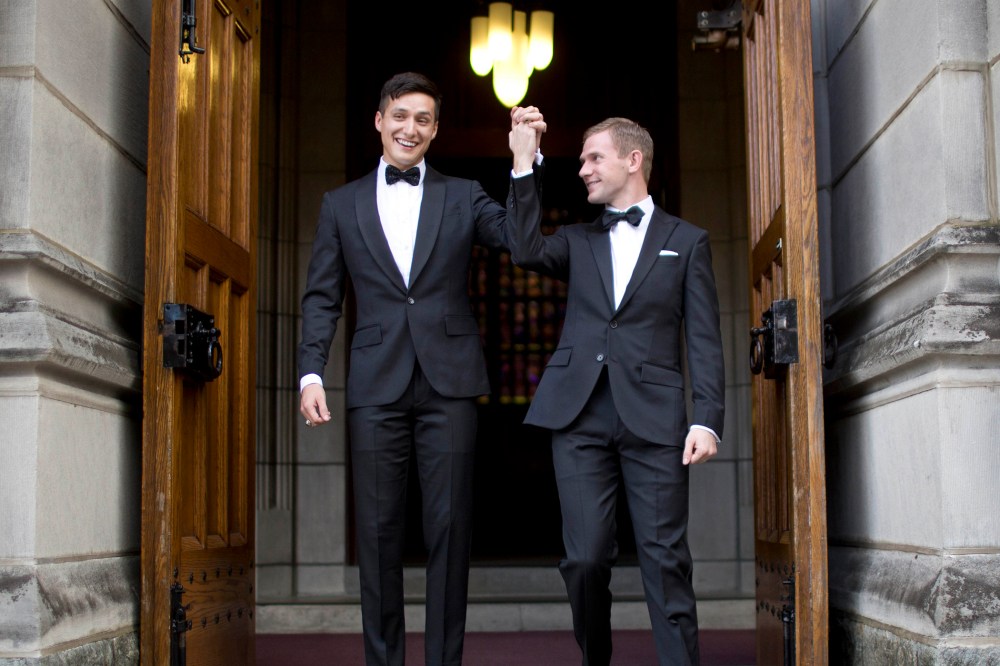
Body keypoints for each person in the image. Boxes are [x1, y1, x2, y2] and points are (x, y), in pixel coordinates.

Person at [297, 72, 544, 666]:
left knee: (450, 532)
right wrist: (310, 373)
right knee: (378, 536)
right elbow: (321, 297)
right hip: (375, 385)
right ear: (380, 120)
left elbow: (519, 241)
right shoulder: (341, 204)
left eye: (424, 120)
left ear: (435, 131)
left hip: (450, 383)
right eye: (401, 116)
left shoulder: (461, 196)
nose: (411, 128)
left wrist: (522, 164)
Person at [507, 116, 725, 666]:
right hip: (578, 417)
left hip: (655, 421)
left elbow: (702, 338)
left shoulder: (687, 241)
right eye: (580, 160)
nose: (582, 169)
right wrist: (523, 161)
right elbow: (525, 247)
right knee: (583, 560)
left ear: (632, 160)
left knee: (665, 558)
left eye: (593, 158)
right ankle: (595, 659)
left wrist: (707, 418)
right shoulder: (578, 240)